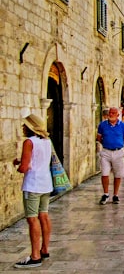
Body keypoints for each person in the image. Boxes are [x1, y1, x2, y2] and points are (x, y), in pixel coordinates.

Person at [12, 114, 53, 268]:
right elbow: (38, 160)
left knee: (32, 219)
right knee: (44, 215)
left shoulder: (29, 142)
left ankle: (35, 256)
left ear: (30, 127)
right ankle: (45, 249)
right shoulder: (47, 141)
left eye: (25, 125)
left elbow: (24, 167)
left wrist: (18, 166)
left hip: (33, 185)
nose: (22, 127)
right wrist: (22, 161)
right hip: (46, 183)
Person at [97, 107, 124, 204]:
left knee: (118, 174)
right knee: (104, 173)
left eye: (114, 113)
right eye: (110, 113)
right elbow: (99, 138)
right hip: (106, 151)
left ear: (118, 115)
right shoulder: (102, 125)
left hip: (118, 152)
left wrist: (118, 144)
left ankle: (116, 195)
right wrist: (107, 143)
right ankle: (106, 194)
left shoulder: (123, 126)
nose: (111, 114)